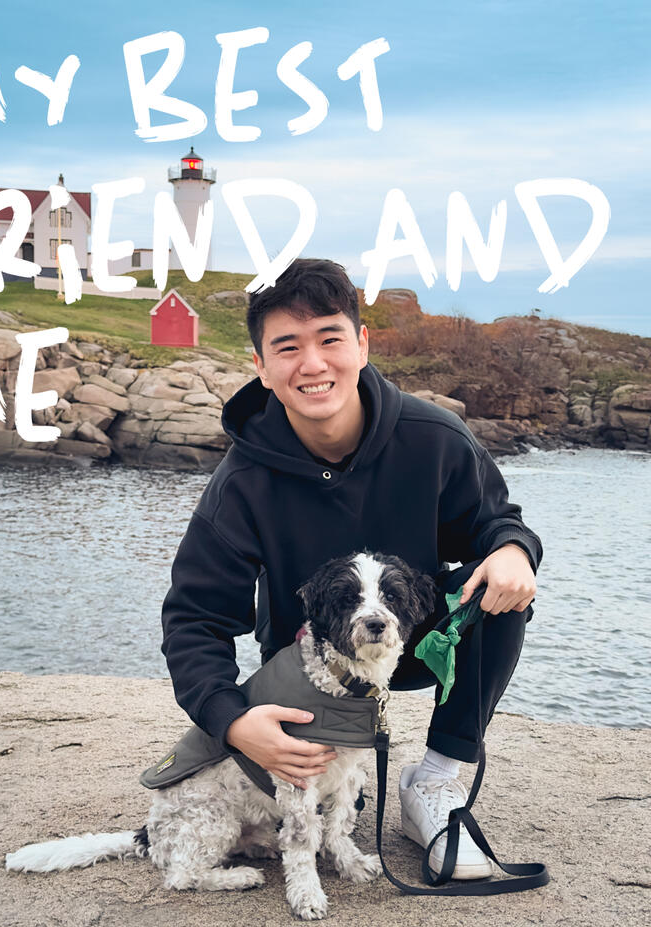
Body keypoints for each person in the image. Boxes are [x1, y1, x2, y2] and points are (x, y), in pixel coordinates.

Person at [161, 258, 541, 880]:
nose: (312, 365)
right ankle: (340, 767)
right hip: (312, 675)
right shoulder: (241, 483)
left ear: (361, 345)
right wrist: (233, 723)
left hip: (413, 646)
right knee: (330, 812)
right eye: (287, 346)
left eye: (330, 339)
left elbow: (499, 523)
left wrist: (512, 549)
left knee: (503, 590)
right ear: (260, 365)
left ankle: (436, 782)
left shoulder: (434, 438)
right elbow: (193, 618)